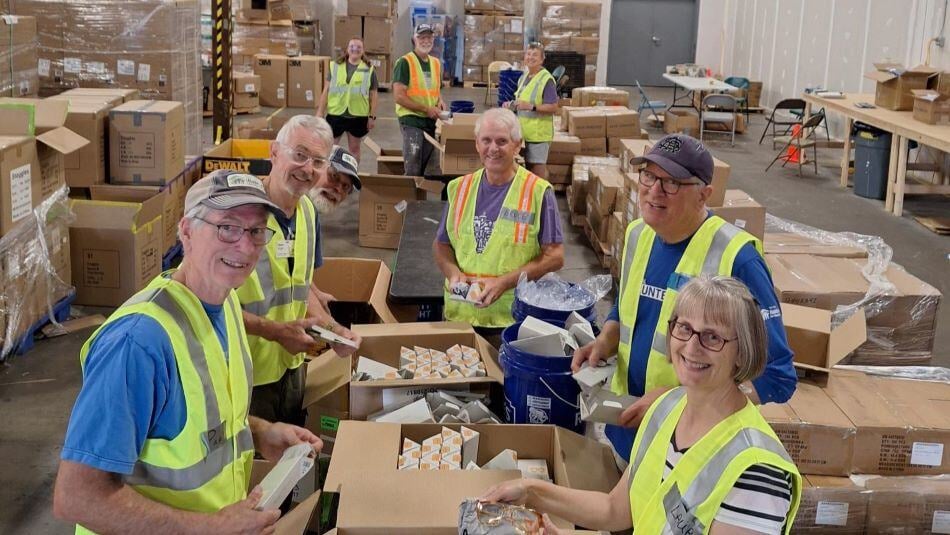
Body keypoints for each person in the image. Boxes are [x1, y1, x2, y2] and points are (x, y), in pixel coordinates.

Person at [53, 172, 324, 533]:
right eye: (227, 227)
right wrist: (211, 527)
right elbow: (77, 496)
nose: (245, 247)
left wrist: (261, 433)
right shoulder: (138, 343)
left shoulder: (223, 306)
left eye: (257, 231)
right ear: (186, 231)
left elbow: (204, 428)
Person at [482, 276, 803, 534]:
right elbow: (616, 510)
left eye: (713, 337)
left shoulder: (757, 472)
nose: (692, 347)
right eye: (684, 328)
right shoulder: (667, 408)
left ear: (743, 353)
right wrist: (531, 492)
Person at [571, 134, 797, 467]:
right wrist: (607, 337)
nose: (654, 190)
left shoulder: (737, 259)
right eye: (648, 176)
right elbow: (629, 304)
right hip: (626, 434)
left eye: (673, 182)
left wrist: (678, 402)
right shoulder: (638, 234)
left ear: (704, 194)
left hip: (686, 455)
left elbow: (777, 376)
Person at [238, 116, 362, 427]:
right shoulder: (239, 216)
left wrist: (332, 330)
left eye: (318, 161)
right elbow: (205, 306)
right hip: (243, 373)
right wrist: (276, 333)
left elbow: (300, 286)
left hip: (291, 367)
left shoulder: (307, 212)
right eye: (300, 155)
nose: (308, 168)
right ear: (274, 153)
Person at [433, 107, 565, 338]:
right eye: (486, 140)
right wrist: (453, 273)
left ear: (518, 144)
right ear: (477, 144)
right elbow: (441, 245)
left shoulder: (538, 192)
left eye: (502, 141)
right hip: (460, 317)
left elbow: (555, 257)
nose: (493, 148)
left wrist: (504, 282)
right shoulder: (459, 188)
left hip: (510, 323)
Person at [393, 23, 445, 177]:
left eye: (429, 37)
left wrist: (440, 101)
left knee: (426, 168)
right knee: (413, 167)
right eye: (421, 37)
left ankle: (419, 200)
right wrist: (426, 109)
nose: (426, 41)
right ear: (414, 39)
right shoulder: (405, 62)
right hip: (412, 121)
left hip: (430, 121)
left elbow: (434, 89)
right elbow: (399, 96)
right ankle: (409, 199)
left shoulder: (435, 63)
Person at [317, 37, 378, 162]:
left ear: (363, 50)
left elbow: (374, 95)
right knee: (330, 149)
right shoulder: (335, 66)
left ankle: (352, 176)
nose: (355, 49)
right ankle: (328, 176)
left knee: (354, 149)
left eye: (358, 47)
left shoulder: (369, 69)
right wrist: (320, 111)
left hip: (358, 116)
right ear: (347, 49)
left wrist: (372, 117)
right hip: (336, 114)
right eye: (352, 46)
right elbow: (326, 90)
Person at [505, 42, 558, 179]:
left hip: (538, 136)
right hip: (523, 135)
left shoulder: (546, 79)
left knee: (537, 176)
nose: (530, 57)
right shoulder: (524, 77)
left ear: (542, 59)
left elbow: (553, 107)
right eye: (528, 54)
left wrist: (532, 107)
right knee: (527, 174)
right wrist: (511, 104)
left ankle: (543, 200)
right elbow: (522, 101)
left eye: (535, 55)